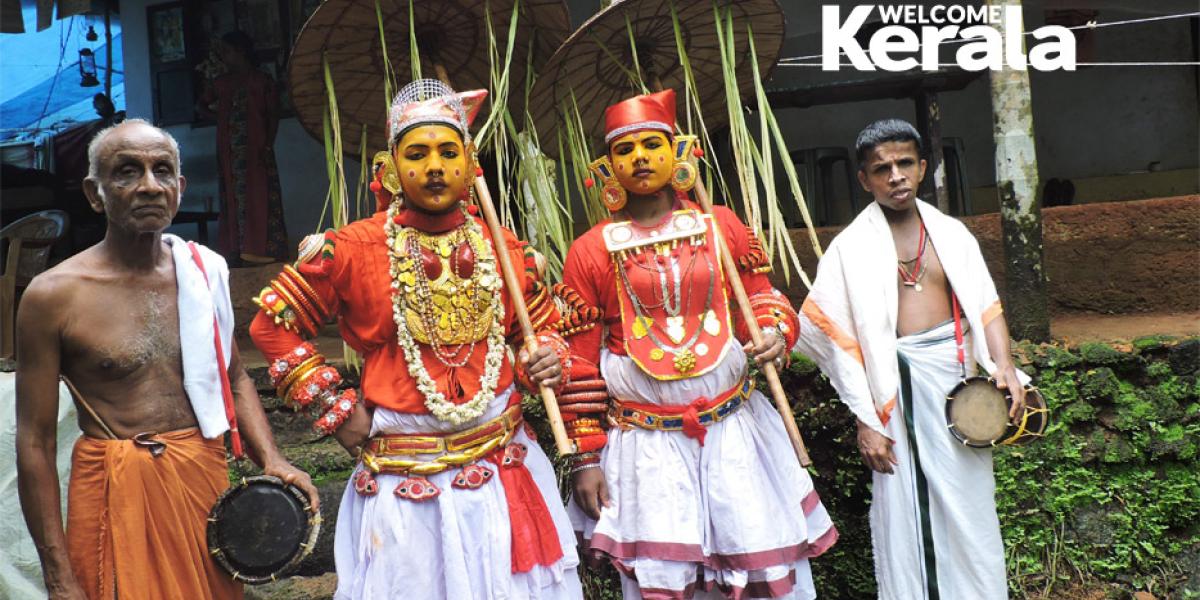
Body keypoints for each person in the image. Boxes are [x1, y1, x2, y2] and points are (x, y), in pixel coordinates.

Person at [247, 79, 583, 599]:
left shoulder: (503, 248)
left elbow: (541, 330)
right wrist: (337, 410)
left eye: (448, 152)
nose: (434, 167)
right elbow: (271, 326)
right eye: (417, 154)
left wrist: (546, 359)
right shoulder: (352, 249)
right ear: (391, 168)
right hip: (406, 477)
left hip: (504, 464)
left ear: (470, 164)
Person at [15, 119, 319, 600]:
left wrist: (273, 458)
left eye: (162, 171)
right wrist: (58, 577)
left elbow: (234, 376)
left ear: (179, 187)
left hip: (202, 489)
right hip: (117, 497)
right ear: (95, 194)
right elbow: (35, 440)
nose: (149, 186)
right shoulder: (53, 296)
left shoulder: (203, 272)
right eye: (127, 171)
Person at [560, 89, 837, 599]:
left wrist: (772, 333)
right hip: (646, 445)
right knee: (665, 581)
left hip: (735, 432)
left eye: (652, 144)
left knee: (757, 573)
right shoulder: (590, 250)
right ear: (606, 167)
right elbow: (578, 365)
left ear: (680, 151)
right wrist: (586, 458)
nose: (640, 158)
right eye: (624, 150)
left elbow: (761, 298)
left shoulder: (720, 224)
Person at [795, 118, 1029, 600]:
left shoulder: (953, 235)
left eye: (905, 163)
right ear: (865, 179)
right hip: (892, 397)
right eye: (882, 169)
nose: (896, 176)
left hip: (958, 390)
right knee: (903, 511)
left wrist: (1004, 366)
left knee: (971, 508)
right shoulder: (849, 249)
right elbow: (834, 340)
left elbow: (986, 307)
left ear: (923, 167)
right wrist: (866, 420)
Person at [198, 30, 288, 264]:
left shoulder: (261, 80)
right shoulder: (221, 83)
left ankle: (263, 250)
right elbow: (201, 106)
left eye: (227, 51)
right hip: (229, 152)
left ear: (241, 51)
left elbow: (273, 114)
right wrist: (220, 118)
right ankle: (236, 250)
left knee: (260, 195)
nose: (224, 57)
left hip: (256, 149)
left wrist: (268, 144)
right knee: (233, 197)